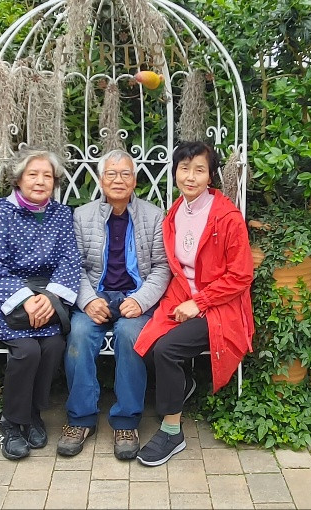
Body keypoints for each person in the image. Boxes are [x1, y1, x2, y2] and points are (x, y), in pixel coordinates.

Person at [132, 141, 254, 467]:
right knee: (144, 343)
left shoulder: (226, 217)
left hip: (220, 305)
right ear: (175, 173)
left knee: (166, 350)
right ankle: (183, 385)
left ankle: (172, 431)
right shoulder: (176, 211)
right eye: (184, 169)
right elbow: (177, 269)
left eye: (199, 170)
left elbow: (241, 276)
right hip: (182, 298)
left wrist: (200, 302)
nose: (190, 177)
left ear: (210, 176)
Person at [58, 150, 172, 460]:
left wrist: (140, 300)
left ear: (134, 180)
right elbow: (75, 266)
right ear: (100, 180)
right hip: (96, 296)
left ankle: (126, 422)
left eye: (125, 174)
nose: (118, 180)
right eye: (111, 173)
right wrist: (88, 300)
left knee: (131, 335)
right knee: (79, 335)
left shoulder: (153, 216)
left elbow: (162, 267)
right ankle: (80, 419)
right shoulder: (82, 216)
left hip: (135, 296)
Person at [0, 148, 82, 461]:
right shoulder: (3, 213)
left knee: (52, 346)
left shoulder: (61, 215)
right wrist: (26, 299)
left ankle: (33, 415)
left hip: (49, 299)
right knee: (27, 350)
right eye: (33, 174)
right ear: (19, 179)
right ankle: (10, 423)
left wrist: (50, 298)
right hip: (10, 302)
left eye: (47, 176)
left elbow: (70, 260)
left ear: (55, 182)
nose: (40, 181)